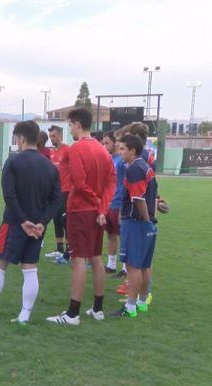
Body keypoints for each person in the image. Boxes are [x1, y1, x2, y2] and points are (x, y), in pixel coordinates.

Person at [0, 121, 61, 325]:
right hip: (38, 228)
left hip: (14, 223)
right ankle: (24, 316)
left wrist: (23, 220)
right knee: (30, 268)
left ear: (22, 138)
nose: (16, 141)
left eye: (16, 138)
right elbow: (56, 200)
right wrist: (42, 222)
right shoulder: (50, 167)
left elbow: (9, 194)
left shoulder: (13, 161)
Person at [47, 108, 116, 325]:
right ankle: (97, 309)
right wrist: (102, 208)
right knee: (95, 257)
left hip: (80, 210)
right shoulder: (103, 150)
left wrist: (96, 202)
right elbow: (111, 182)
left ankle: (73, 314)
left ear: (77, 124)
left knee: (78, 259)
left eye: (70, 125)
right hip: (96, 213)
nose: (70, 129)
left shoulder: (77, 149)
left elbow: (78, 182)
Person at [110, 134, 158, 318]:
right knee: (144, 265)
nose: (120, 152)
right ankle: (142, 302)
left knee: (133, 266)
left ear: (133, 150)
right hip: (146, 224)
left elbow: (138, 199)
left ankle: (130, 308)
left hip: (136, 223)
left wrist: (146, 220)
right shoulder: (146, 167)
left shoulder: (134, 169)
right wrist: (151, 219)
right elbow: (152, 195)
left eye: (123, 149)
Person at [44, 125, 70, 260]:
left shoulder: (68, 150)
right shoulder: (52, 152)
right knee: (56, 219)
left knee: (66, 220)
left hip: (66, 190)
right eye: (50, 137)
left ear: (60, 135)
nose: (51, 139)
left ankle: (68, 250)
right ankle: (59, 249)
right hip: (55, 191)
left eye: (53, 136)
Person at [103, 131, 124, 274]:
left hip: (118, 204)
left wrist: (123, 205)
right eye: (103, 143)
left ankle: (125, 267)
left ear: (115, 142)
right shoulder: (109, 159)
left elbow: (125, 184)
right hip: (108, 204)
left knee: (123, 236)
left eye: (107, 143)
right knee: (110, 234)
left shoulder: (122, 161)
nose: (104, 146)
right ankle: (111, 265)